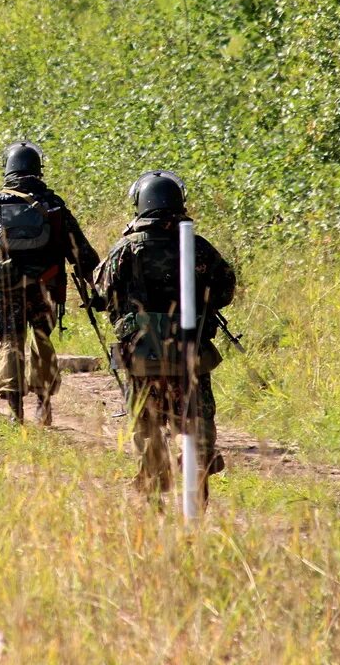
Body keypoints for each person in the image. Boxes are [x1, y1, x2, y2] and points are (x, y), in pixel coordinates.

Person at [93, 170, 235, 502]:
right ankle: (197, 477)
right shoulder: (197, 247)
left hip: (143, 357)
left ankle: (154, 488)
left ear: (140, 203)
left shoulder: (126, 248)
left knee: (146, 426)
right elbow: (225, 289)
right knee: (197, 422)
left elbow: (101, 291)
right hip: (190, 355)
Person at [0, 141, 100, 425]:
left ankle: (15, 412)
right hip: (46, 285)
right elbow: (80, 251)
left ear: (8, 169)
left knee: (12, 342)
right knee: (42, 339)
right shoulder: (53, 204)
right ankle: (43, 405)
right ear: (38, 169)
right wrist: (96, 285)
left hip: (6, 287)